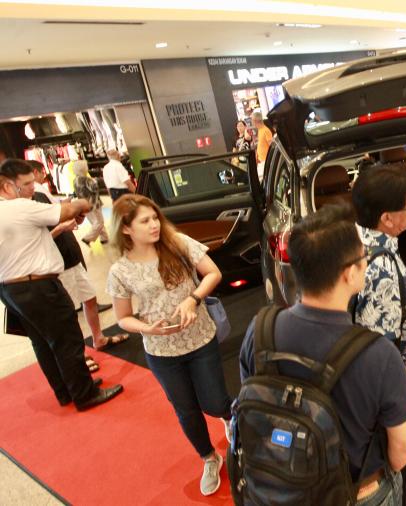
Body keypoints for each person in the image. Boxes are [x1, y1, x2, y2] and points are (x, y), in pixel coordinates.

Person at [239, 204, 406, 505]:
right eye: (364, 258)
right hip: (357, 491)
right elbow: (402, 449)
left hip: (281, 484)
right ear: (349, 273)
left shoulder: (261, 329)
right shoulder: (378, 354)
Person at [107, 194, 232, 496]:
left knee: (214, 401)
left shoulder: (178, 242)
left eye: (155, 218)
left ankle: (230, 417)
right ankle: (209, 458)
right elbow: (123, 318)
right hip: (162, 352)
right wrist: (146, 328)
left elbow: (213, 273)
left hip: (199, 337)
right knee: (186, 411)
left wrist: (194, 298)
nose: (154, 225)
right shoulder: (120, 271)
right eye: (145, 221)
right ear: (126, 229)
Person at [0, 159, 123, 410]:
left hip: (12, 288)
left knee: (43, 343)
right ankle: (84, 393)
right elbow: (72, 208)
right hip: (37, 287)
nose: (32, 188)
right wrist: (77, 204)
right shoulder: (19, 207)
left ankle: (67, 390)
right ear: (7, 186)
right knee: (67, 340)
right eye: (26, 184)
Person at [352, 167, 406, 506]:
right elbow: (380, 348)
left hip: (394, 385)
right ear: (388, 218)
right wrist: (395, 402)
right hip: (394, 389)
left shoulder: (362, 241)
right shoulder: (379, 267)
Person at [27, 161, 127, 355]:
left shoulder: (40, 194)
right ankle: (79, 354)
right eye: (27, 182)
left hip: (70, 255)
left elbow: (60, 214)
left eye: (31, 180)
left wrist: (70, 217)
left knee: (89, 298)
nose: (33, 184)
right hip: (57, 264)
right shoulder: (26, 207)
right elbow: (35, 241)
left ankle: (98, 339)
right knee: (68, 311)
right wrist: (61, 227)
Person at [72, 160, 109, 245]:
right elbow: (95, 188)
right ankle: (87, 238)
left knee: (95, 222)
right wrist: (95, 181)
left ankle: (104, 238)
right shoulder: (86, 179)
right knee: (99, 222)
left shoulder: (75, 180)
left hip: (83, 203)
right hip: (93, 203)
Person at [251, 111, 273, 180]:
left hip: (265, 161)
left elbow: (271, 146)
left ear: (255, 120)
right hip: (262, 160)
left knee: (261, 179)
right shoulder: (260, 130)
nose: (252, 122)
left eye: (252, 120)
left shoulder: (265, 130)